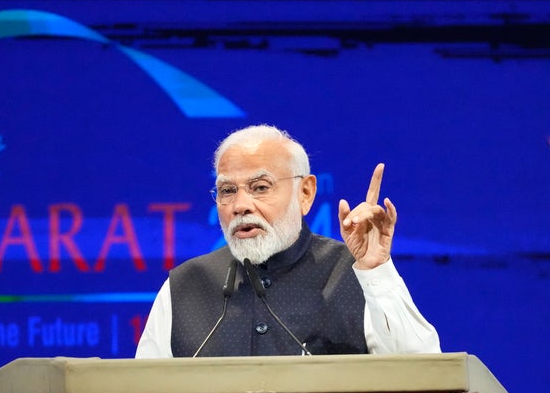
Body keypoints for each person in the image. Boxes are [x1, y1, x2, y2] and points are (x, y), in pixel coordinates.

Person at [135, 124, 440, 358]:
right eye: (227, 191)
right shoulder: (185, 286)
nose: (240, 205)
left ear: (305, 193)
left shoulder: (353, 274)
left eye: (260, 187)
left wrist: (377, 270)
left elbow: (426, 373)